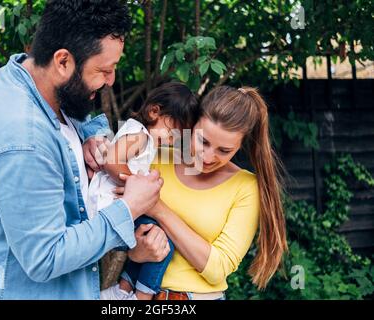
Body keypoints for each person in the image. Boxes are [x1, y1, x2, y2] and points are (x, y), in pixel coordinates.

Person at [0, 0, 169, 300]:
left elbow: (77, 121)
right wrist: (129, 208)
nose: (110, 81)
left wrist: (92, 137)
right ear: (62, 61)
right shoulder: (22, 138)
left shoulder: (29, 79)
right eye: (104, 70)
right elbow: (46, 257)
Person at [115, 86, 288, 300]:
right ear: (192, 124)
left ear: (240, 145)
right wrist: (135, 252)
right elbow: (111, 213)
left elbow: (218, 269)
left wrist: (157, 208)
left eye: (224, 150)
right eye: (202, 141)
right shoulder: (154, 154)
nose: (207, 157)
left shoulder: (246, 187)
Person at [97, 82, 200, 300]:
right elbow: (112, 160)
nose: (171, 142)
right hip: (110, 206)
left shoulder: (146, 139)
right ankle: (140, 297)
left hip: (121, 205)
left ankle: (123, 289)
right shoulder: (140, 134)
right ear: (154, 111)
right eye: (172, 134)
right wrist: (137, 186)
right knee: (162, 243)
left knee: (152, 237)